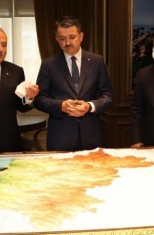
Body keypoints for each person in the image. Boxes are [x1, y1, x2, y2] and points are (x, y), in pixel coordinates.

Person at [34, 16, 113, 151]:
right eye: (62, 38)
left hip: (91, 136)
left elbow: (108, 97)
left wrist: (89, 106)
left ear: (81, 36)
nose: (67, 43)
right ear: (56, 39)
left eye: (72, 37)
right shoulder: (48, 65)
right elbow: (39, 100)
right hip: (60, 138)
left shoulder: (96, 61)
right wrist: (61, 106)